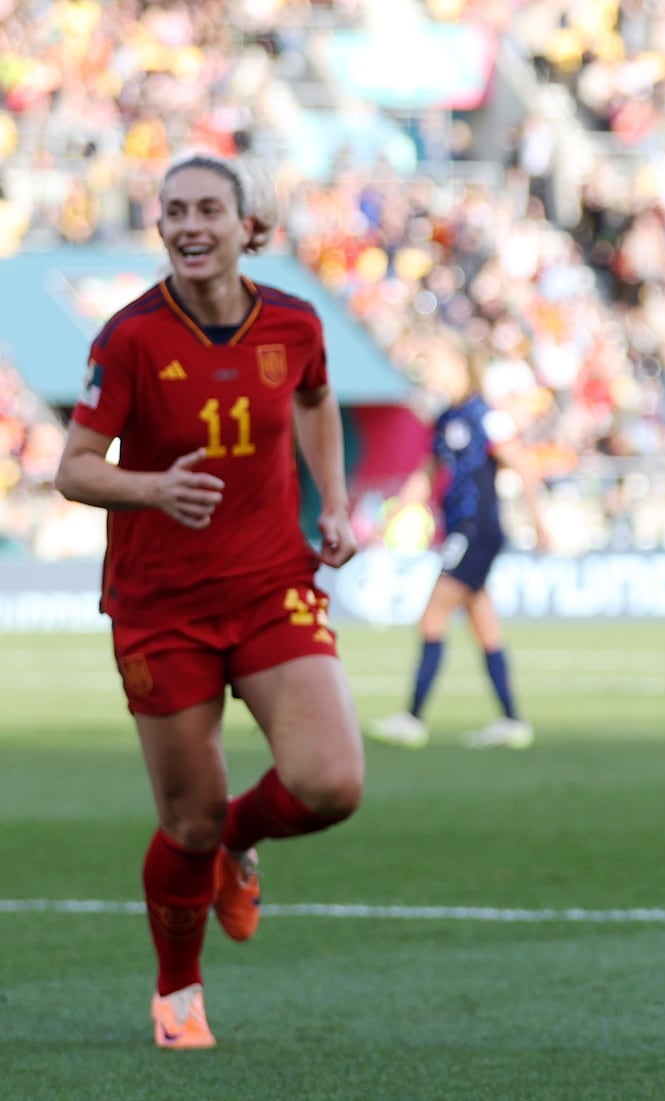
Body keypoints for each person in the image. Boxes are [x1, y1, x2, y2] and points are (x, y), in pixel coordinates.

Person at [52, 151, 364, 1049]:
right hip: (162, 604)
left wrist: (333, 501)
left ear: (247, 228)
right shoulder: (129, 337)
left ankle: (236, 842)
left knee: (331, 782)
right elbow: (72, 469)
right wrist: (153, 489)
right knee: (184, 817)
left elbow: (315, 398)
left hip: (271, 583)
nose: (189, 225)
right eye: (174, 210)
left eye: (208, 211)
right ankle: (177, 994)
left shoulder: (296, 322)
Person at [368, 339, 547, 750]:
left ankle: (411, 719)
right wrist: (388, 521)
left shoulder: (486, 417)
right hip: (461, 531)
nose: (431, 374)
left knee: (433, 616)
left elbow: (523, 466)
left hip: (477, 530)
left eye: (438, 364)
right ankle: (512, 721)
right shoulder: (447, 419)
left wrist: (540, 523)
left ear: (463, 367)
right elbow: (426, 476)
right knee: (484, 626)